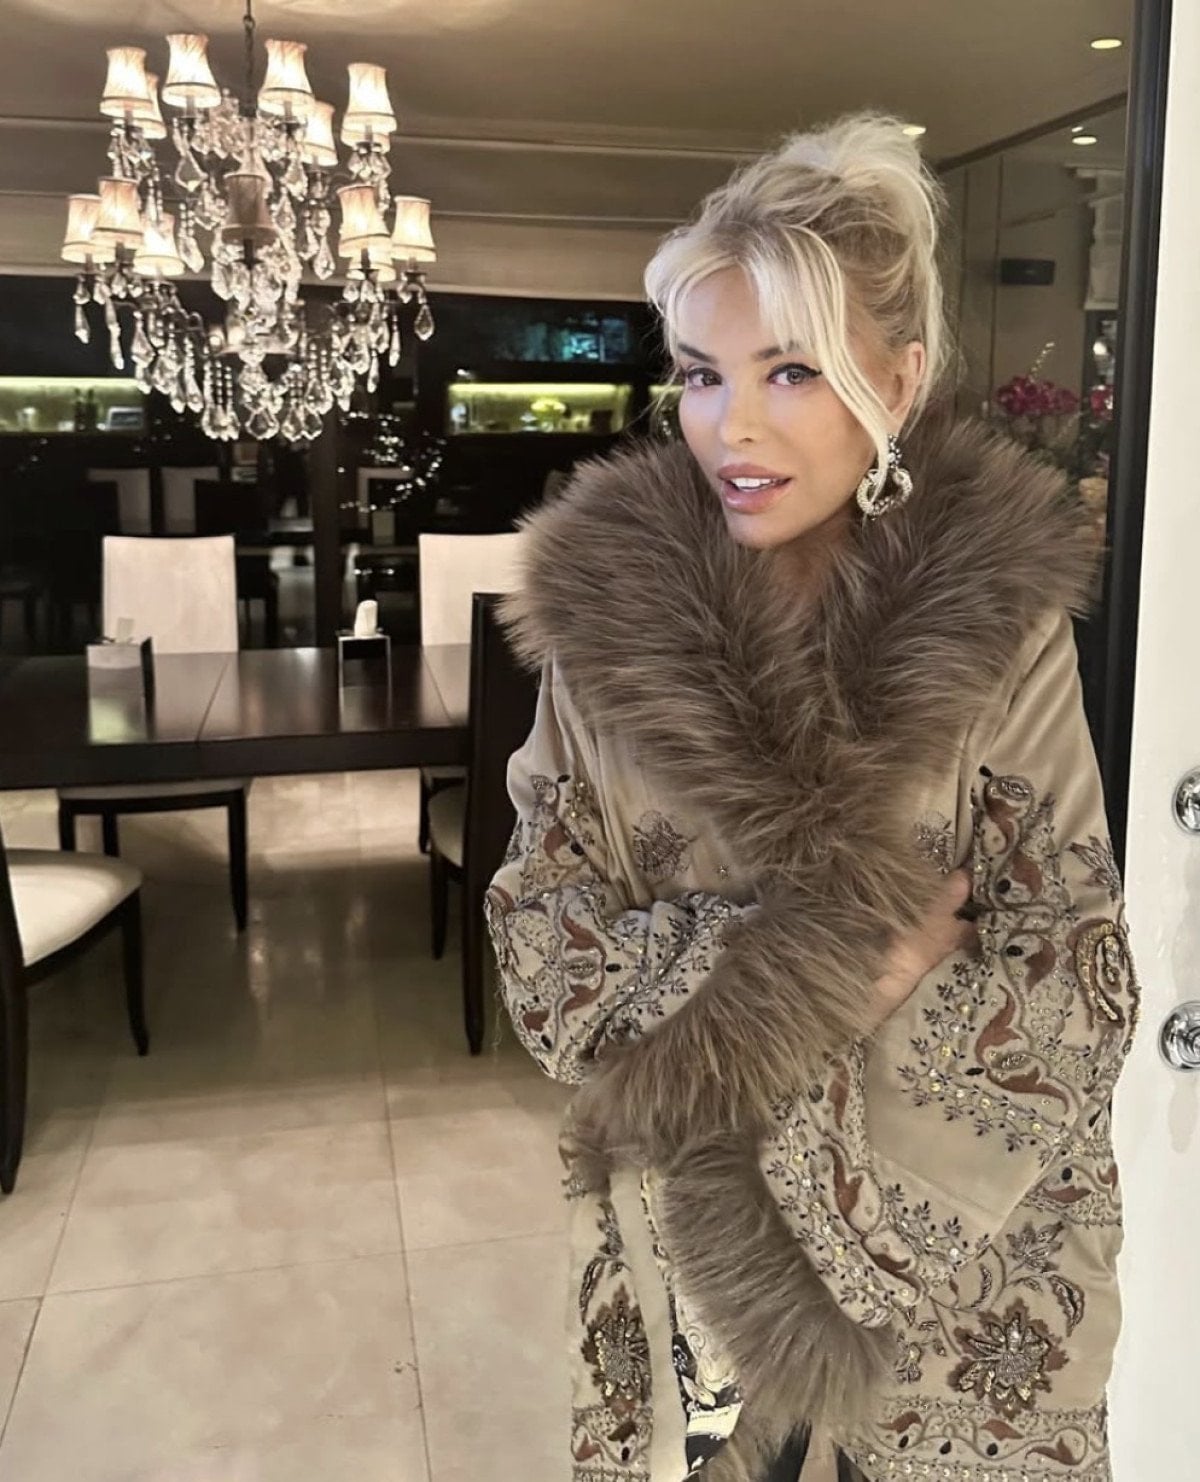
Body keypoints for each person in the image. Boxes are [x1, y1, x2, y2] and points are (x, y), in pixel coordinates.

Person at [485, 112, 1138, 1482]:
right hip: (685, 1255)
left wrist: (712, 1012)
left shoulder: (999, 629)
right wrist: (848, 972)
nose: (732, 425)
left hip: (968, 1280)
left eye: (791, 370)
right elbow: (543, 958)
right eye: (700, 374)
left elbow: (1075, 985)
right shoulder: (606, 633)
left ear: (899, 380)